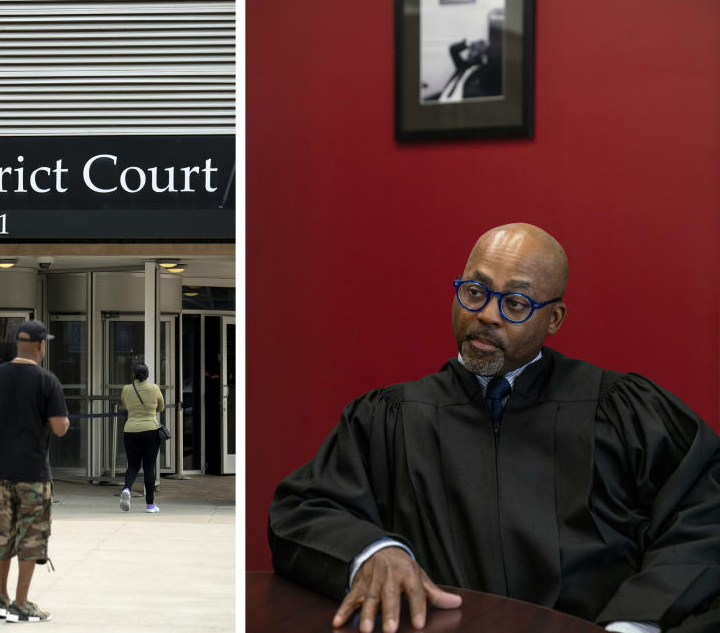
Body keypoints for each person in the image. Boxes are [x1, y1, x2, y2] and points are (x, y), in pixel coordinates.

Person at [268, 223, 720, 633]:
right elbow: (302, 510)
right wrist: (372, 551)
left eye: (516, 302)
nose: (488, 314)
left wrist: (637, 622)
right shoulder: (388, 418)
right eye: (475, 292)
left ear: (554, 319)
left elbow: (705, 512)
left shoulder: (623, 411)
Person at [0, 320, 69, 623]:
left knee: (4, 535)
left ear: (17, 344)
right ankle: (22, 603)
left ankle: (0, 599)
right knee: (31, 538)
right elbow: (59, 427)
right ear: (41, 346)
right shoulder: (47, 381)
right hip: (33, 475)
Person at [119, 363, 165, 513]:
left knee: (132, 466)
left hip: (130, 430)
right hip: (150, 430)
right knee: (148, 467)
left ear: (133, 375)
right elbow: (161, 407)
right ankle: (150, 505)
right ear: (147, 376)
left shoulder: (126, 389)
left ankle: (127, 489)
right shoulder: (154, 388)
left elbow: (125, 405)